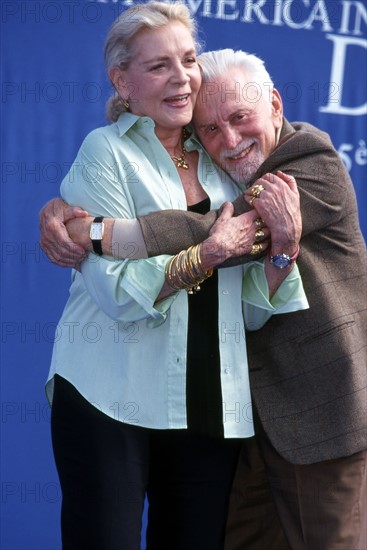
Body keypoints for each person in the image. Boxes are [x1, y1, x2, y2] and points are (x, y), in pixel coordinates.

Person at [41, 47, 367, 550]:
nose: (230, 140)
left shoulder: (309, 162)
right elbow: (192, 211)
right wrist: (63, 206)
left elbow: (210, 229)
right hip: (239, 425)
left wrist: (99, 234)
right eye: (210, 129)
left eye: (241, 118)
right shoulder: (212, 170)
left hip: (319, 419)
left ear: (275, 105)